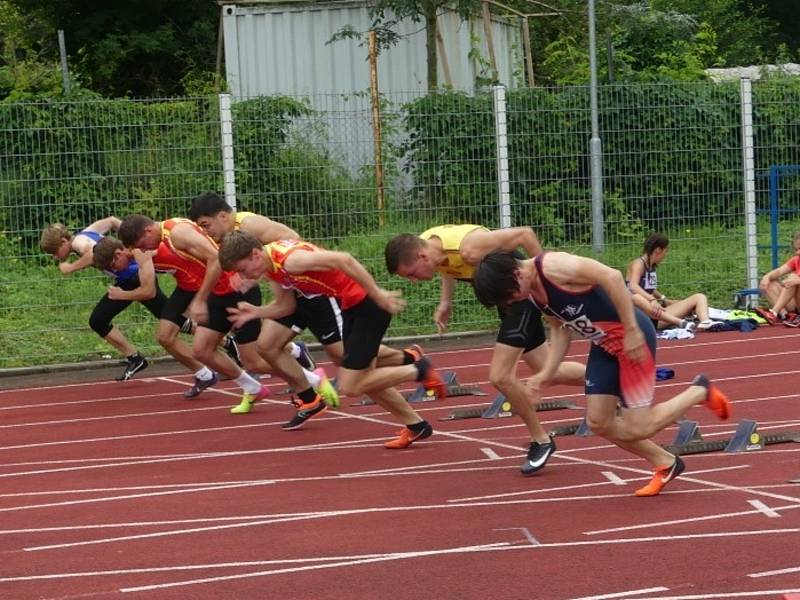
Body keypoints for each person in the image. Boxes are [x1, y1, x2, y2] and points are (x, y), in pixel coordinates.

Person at [472, 249, 732, 496]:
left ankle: (700, 390)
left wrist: (630, 329)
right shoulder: (531, 293)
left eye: (509, 296)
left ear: (516, 275)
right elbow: (561, 328)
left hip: (633, 341)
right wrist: (545, 374)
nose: (511, 302)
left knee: (638, 428)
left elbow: (612, 276)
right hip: (604, 346)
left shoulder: (554, 266)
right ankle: (665, 463)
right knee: (599, 422)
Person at [385, 225, 585, 475]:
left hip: (521, 296)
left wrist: (546, 286)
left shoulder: (470, 248)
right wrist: (446, 302)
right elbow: (446, 266)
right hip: (507, 298)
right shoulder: (428, 245)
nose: (413, 281)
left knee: (500, 376)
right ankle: (608, 382)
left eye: (412, 274)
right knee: (549, 370)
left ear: (422, 257)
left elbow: (525, 235)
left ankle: (542, 440)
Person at [220, 230, 443, 448]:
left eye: (242, 269)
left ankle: (419, 369)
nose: (243, 277)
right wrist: (256, 312)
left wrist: (377, 294)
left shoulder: (291, 261)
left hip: (368, 306)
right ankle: (416, 425)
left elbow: (342, 259)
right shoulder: (272, 267)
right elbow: (286, 306)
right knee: (367, 379)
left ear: (255, 255)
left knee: (350, 385)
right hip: (352, 306)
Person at [92, 236, 228, 398]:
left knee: (179, 337)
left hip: (195, 280)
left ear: (119, 252)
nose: (114, 270)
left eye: (112, 265)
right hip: (183, 283)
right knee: (165, 336)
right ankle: (207, 373)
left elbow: (149, 292)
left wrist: (122, 294)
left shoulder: (141, 253)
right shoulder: (132, 251)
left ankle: (237, 370)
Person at [39, 218, 164, 381]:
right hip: (128, 280)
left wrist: (71, 267)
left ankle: (203, 337)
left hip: (135, 278)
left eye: (54, 252)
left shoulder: (78, 243)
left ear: (63, 241)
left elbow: (92, 254)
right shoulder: (87, 232)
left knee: (172, 318)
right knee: (99, 320)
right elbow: (112, 221)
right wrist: (133, 241)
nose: (55, 257)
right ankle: (135, 358)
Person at [626, 233, 712, 331]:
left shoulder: (651, 265)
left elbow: (648, 288)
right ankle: (680, 322)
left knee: (699, 297)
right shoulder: (638, 264)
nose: (665, 256)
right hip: (643, 314)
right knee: (636, 297)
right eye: (665, 251)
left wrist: (664, 299)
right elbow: (633, 286)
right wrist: (652, 299)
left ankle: (705, 322)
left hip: (658, 314)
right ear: (658, 250)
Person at [756, 231, 800, 327]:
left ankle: (773, 312)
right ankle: (785, 315)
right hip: (795, 302)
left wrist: (796, 280)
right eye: (796, 249)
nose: (797, 252)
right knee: (769, 283)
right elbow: (779, 271)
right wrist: (766, 277)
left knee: (793, 279)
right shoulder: (796, 259)